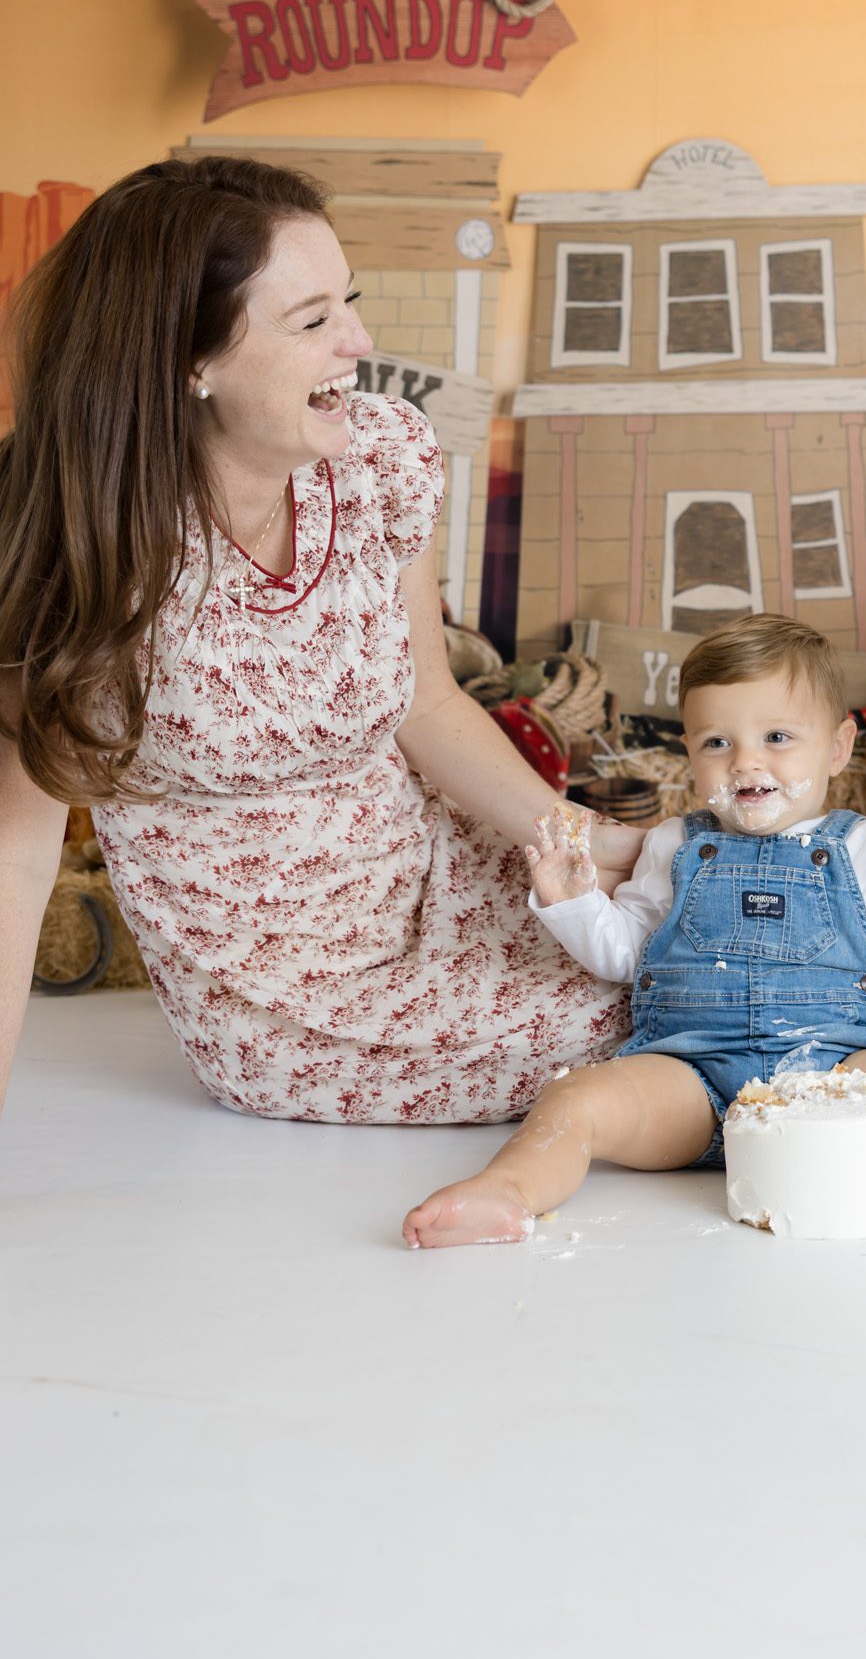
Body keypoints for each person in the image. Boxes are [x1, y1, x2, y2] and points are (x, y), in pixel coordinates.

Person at [0, 156, 644, 1129]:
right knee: (647, 1015)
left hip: (441, 872)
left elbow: (428, 702)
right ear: (192, 360)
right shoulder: (74, 559)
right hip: (292, 992)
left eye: (348, 300)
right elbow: (14, 855)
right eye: (312, 321)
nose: (360, 340)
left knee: (736, 950)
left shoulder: (377, 463)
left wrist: (588, 842)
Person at [402, 614, 866, 1246]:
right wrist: (573, 903)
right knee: (578, 1100)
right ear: (688, 753)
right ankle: (507, 1192)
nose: (745, 762)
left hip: (838, 1081)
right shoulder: (673, 846)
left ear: (837, 749)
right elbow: (624, 955)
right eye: (716, 743)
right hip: (694, 1083)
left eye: (776, 738)